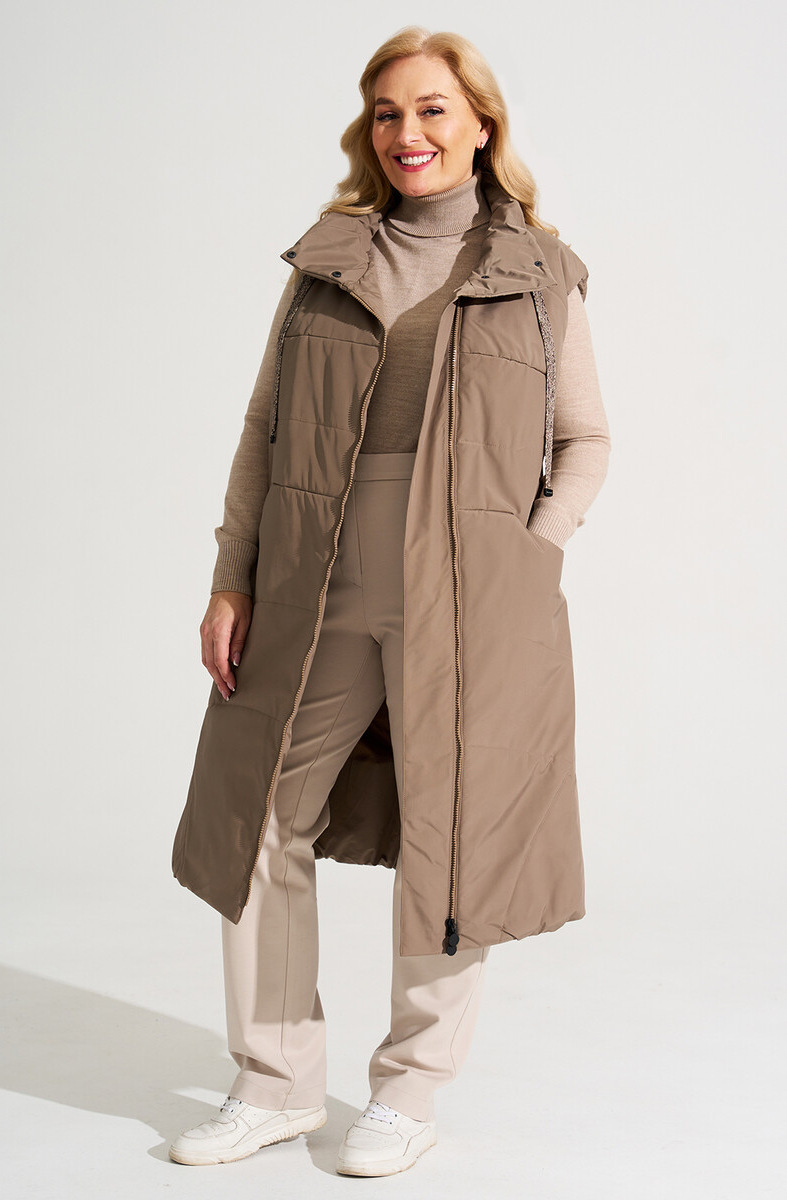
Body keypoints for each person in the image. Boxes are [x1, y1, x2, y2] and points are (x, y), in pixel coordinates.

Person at [169, 25, 611, 1178]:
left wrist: (530, 554)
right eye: (386, 113)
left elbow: (585, 440)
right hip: (313, 573)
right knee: (262, 812)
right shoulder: (329, 262)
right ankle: (274, 1083)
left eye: (430, 109)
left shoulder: (540, 273)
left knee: (450, 836)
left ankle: (409, 1091)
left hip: (472, 595)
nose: (407, 132)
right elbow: (265, 429)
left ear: (480, 124)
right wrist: (231, 574)